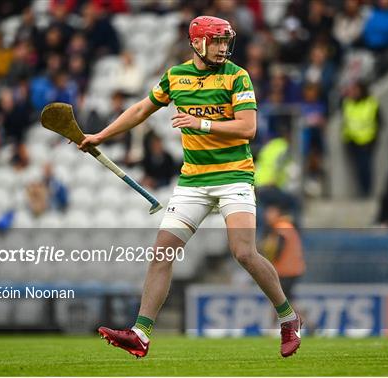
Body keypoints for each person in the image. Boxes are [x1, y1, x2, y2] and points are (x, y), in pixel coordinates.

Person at [78, 16, 302, 358]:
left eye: (226, 41)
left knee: (244, 252)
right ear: (197, 42)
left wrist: (201, 122)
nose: (223, 47)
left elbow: (247, 128)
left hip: (233, 176)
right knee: (161, 254)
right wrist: (101, 136)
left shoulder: (237, 76)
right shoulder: (175, 76)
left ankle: (288, 318)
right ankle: (141, 333)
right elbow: (141, 109)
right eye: (216, 41)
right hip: (193, 181)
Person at [341, 81, 384, 197]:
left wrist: (373, 137)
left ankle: (366, 191)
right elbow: (346, 121)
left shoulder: (371, 103)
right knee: (358, 168)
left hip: (367, 140)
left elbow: (380, 122)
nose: (353, 92)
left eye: (356, 90)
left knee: (365, 167)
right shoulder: (347, 103)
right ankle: (362, 191)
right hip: (352, 140)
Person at [259, 203, 305, 302]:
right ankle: (300, 316)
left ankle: (300, 316)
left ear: (278, 214)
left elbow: (277, 248)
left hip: (286, 270)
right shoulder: (285, 225)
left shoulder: (281, 226)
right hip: (290, 269)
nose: (266, 216)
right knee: (284, 300)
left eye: (270, 213)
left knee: (280, 301)